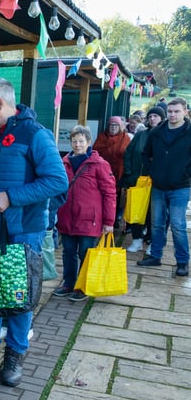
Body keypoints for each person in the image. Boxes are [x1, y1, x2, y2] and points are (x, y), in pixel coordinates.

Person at [0, 78, 67, 387]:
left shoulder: (36, 135)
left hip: (24, 233)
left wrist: (12, 197)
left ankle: (15, 353)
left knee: (19, 294)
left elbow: (58, 181)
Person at [53, 125, 116, 301]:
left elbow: (110, 193)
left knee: (86, 253)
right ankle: (69, 283)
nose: (77, 145)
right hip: (67, 216)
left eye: (81, 141)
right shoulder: (63, 162)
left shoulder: (100, 164)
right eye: (74, 141)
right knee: (68, 252)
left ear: (89, 142)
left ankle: (83, 286)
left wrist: (109, 221)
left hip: (89, 218)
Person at [138, 98, 191, 276]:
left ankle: (182, 261)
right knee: (157, 223)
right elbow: (146, 154)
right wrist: (154, 172)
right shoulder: (157, 132)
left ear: (185, 112)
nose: (173, 115)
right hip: (159, 185)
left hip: (180, 186)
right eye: (170, 111)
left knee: (177, 224)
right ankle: (155, 255)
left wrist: (185, 173)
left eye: (176, 111)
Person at [122, 106, 166, 253]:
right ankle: (137, 240)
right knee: (136, 209)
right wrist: (129, 173)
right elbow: (128, 153)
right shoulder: (141, 135)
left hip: (157, 182)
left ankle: (153, 242)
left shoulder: (166, 135)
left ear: (162, 118)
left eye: (156, 116)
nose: (153, 119)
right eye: (151, 116)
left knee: (154, 214)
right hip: (138, 179)